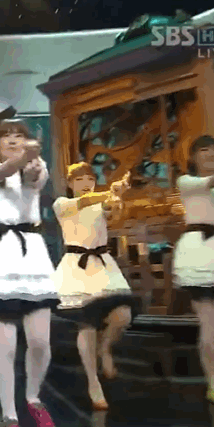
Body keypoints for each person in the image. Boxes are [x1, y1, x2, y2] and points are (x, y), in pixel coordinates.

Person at [0, 119, 58, 427]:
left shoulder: (37, 165)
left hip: (32, 256)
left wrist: (31, 160)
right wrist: (23, 157)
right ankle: (10, 414)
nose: (12, 139)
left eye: (19, 135)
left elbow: (33, 177)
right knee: (5, 347)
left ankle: (33, 398)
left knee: (40, 342)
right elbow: (3, 171)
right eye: (6, 135)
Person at [51, 163, 135, 410]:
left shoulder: (101, 203)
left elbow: (112, 212)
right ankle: (93, 382)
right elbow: (86, 201)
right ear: (70, 183)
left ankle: (105, 348)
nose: (86, 183)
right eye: (80, 179)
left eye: (90, 178)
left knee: (123, 315)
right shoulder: (63, 204)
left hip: (103, 265)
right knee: (87, 325)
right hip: (77, 267)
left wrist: (117, 197)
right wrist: (110, 191)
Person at [173, 135, 214, 406]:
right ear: (194, 157)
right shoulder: (187, 181)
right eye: (204, 150)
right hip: (199, 257)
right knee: (210, 324)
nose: (211, 154)